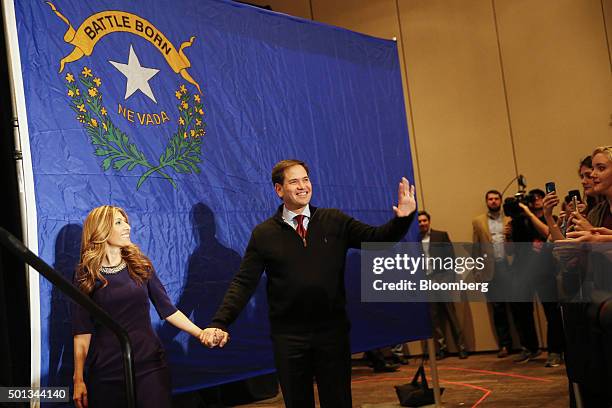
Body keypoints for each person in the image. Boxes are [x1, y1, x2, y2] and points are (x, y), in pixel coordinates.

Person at [200, 159, 416, 408]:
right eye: (294, 181)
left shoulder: (334, 220)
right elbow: (243, 282)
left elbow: (378, 239)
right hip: (289, 337)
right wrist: (220, 321)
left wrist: (403, 217)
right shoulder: (264, 234)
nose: (303, 186)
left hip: (331, 333)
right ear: (279, 190)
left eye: (306, 179)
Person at [72, 205, 205, 408]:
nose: (127, 227)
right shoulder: (86, 275)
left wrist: (200, 334)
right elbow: (82, 330)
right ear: (100, 229)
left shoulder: (140, 265)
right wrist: (78, 379)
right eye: (119, 222)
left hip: (149, 365)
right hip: (107, 370)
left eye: (126, 221)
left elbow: (168, 310)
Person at [418, 211, 467, 359]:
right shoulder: (414, 240)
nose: (422, 224)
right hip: (426, 280)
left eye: (424, 220)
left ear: (429, 221)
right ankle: (441, 349)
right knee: (434, 317)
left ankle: (462, 347)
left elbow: (451, 257)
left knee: (450, 313)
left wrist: (450, 279)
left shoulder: (441, 235)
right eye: (419, 222)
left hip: (442, 277)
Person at [472, 190, 514, 357]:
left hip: (508, 265)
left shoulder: (510, 219)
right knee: (498, 309)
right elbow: (476, 248)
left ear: (501, 201)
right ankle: (505, 345)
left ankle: (525, 345)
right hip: (490, 269)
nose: (494, 201)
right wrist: (477, 271)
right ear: (486, 201)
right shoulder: (478, 221)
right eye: (490, 199)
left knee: (517, 306)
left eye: (496, 199)